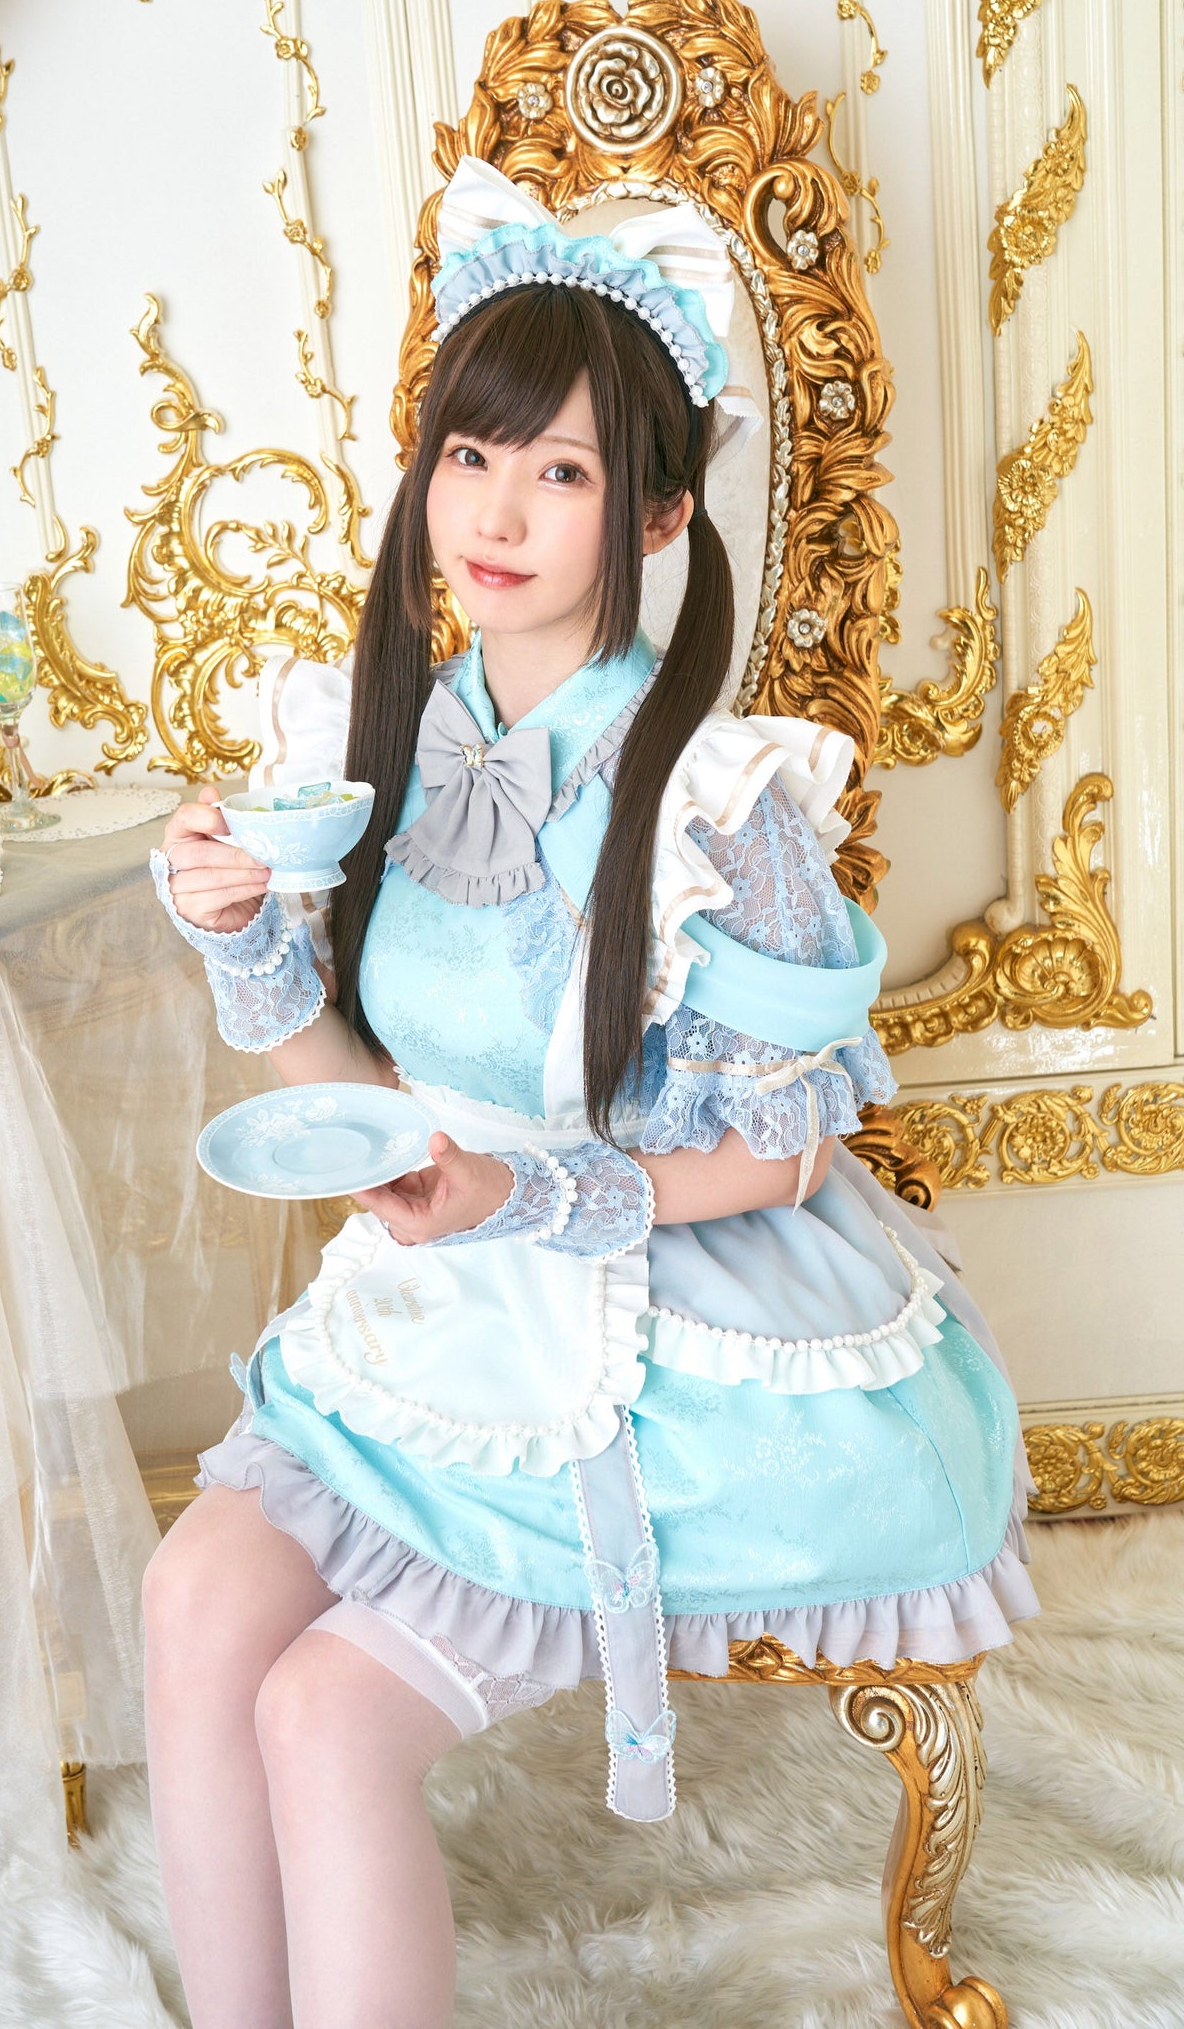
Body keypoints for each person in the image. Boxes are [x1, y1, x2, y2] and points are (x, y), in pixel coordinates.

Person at [141, 156, 1038, 2029]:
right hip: (440, 1279)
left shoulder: (718, 800)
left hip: (648, 1307)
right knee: (192, 1602)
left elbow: (782, 1155)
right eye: (470, 454)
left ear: (653, 512)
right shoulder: (377, 737)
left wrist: (526, 1201)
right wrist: (240, 936)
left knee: (323, 1717)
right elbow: (359, 1096)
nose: (494, 510)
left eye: (558, 472)